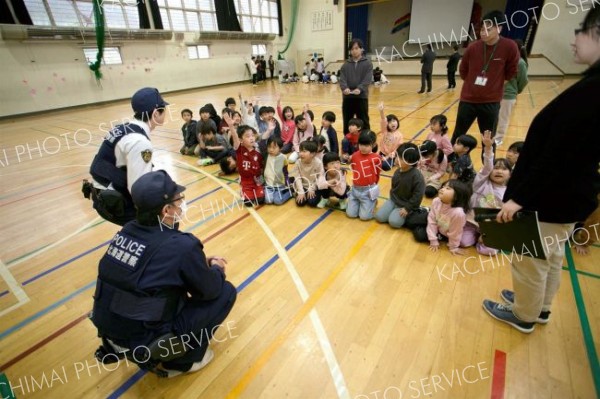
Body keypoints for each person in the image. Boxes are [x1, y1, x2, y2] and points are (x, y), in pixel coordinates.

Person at [482, 7, 600, 334]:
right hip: (570, 198)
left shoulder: (592, 93)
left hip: (550, 199)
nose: (575, 38)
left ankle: (524, 314)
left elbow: (558, 156)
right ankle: (540, 306)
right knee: (550, 256)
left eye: (583, 31)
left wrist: (519, 198)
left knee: (530, 260)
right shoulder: (591, 86)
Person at [90, 170, 236, 377]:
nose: (182, 203)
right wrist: (216, 269)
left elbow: (148, 268)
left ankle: (125, 345)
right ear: (167, 210)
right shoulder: (182, 246)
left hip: (110, 326)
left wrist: (196, 263)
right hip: (146, 338)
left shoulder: (127, 230)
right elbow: (209, 290)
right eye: (179, 200)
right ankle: (183, 362)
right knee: (225, 292)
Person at [84, 87, 168, 226]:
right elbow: (138, 188)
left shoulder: (122, 128)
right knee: (165, 223)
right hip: (114, 203)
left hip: (102, 194)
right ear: (155, 113)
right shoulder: (140, 142)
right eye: (163, 109)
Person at [450, 10, 520, 155]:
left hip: (491, 102)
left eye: (488, 29)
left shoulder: (509, 47)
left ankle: (488, 167)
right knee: (458, 133)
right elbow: (463, 70)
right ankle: (450, 161)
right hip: (468, 100)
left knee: (488, 138)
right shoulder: (473, 47)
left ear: (499, 28)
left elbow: (512, 71)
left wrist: (494, 85)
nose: (483, 32)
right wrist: (471, 85)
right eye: (482, 29)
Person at [460, 131, 511, 255]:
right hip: (471, 221)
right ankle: (475, 237)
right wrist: (488, 148)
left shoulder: (509, 192)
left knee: (490, 251)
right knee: (463, 242)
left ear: (510, 174)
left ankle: (482, 240)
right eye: (496, 168)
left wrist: (486, 234)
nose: (499, 171)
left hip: (490, 226)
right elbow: (487, 166)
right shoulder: (481, 182)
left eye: (504, 169)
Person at [413, 180, 471, 255]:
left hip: (444, 232)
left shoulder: (458, 213)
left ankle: (425, 217)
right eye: (443, 186)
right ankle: (425, 210)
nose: (442, 189)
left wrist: (453, 247)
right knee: (411, 221)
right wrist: (433, 238)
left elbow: (455, 232)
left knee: (419, 235)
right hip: (436, 222)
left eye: (448, 188)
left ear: (457, 196)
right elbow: (431, 220)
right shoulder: (436, 201)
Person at [375, 143, 425, 228]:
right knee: (379, 217)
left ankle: (411, 213)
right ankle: (393, 211)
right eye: (397, 156)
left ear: (410, 161)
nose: (396, 160)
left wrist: (407, 208)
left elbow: (418, 195)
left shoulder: (417, 176)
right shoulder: (398, 171)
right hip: (394, 200)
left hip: (406, 205)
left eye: (400, 158)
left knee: (394, 222)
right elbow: (394, 187)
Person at [224, 114, 265, 206]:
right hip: (246, 181)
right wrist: (231, 126)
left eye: (252, 136)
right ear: (241, 140)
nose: (251, 138)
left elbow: (261, 167)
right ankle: (243, 191)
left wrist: (261, 181)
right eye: (247, 136)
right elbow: (235, 137)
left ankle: (259, 189)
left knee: (261, 200)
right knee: (248, 203)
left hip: (257, 180)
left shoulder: (258, 151)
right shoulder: (240, 150)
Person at [495, 39, 529, 146]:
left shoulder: (520, 62)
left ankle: (498, 138)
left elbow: (523, 80)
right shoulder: (503, 60)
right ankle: (491, 136)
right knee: (493, 116)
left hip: (508, 95)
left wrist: (515, 90)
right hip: (495, 93)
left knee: (503, 117)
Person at [339, 38, 373, 133]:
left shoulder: (368, 64)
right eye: (352, 49)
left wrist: (360, 88)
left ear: (361, 49)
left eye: (356, 48)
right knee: (347, 121)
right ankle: (347, 142)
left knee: (364, 121)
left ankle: (366, 141)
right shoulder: (345, 65)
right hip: (348, 98)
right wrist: (344, 88)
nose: (354, 51)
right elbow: (342, 79)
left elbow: (367, 79)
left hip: (361, 97)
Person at [346, 131, 382, 221]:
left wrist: (374, 186)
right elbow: (354, 169)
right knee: (351, 214)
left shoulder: (376, 158)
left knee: (364, 217)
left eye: (366, 145)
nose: (363, 148)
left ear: (373, 145)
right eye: (361, 145)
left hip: (368, 189)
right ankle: (359, 202)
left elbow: (377, 173)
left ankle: (373, 201)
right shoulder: (354, 156)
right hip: (356, 189)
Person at [289, 140, 324, 207]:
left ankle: (321, 195)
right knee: (300, 203)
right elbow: (297, 178)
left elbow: (319, 178)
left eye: (304, 151)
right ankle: (295, 191)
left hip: (314, 186)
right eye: (300, 151)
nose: (301, 154)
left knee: (312, 203)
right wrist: (301, 191)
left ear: (313, 154)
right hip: (303, 186)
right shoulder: (298, 162)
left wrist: (312, 188)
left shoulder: (318, 163)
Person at [264, 136, 292, 205]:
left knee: (278, 201)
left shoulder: (283, 158)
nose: (271, 150)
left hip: (279, 185)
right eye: (269, 147)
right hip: (268, 185)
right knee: (268, 200)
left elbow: (285, 172)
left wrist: (287, 182)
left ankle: (290, 192)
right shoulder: (266, 155)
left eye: (274, 147)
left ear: (280, 148)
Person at [377, 102, 403, 171]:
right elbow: (383, 120)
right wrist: (381, 111)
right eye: (390, 122)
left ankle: (394, 162)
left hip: (392, 155)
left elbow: (397, 148)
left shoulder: (399, 135)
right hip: (382, 153)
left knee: (385, 166)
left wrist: (387, 157)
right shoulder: (384, 131)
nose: (392, 123)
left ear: (397, 122)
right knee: (373, 162)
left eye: (394, 121)